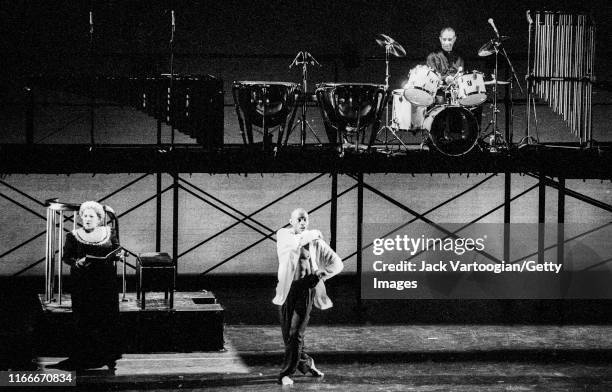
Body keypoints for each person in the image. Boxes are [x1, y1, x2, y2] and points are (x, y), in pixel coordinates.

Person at [273, 208, 344, 385]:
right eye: (300, 219)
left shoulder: (315, 243)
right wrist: (313, 233)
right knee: (288, 337)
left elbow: (337, 264)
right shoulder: (283, 235)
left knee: (296, 333)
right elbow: (295, 244)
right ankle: (306, 363)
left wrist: (320, 275)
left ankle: (286, 374)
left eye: (306, 220)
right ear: (291, 221)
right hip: (286, 289)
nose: (303, 223)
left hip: (305, 290)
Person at [50, 201, 122, 370]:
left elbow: (117, 249)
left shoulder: (109, 232)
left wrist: (118, 255)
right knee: (86, 318)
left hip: (105, 282)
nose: (87, 219)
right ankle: (85, 357)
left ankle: (108, 356)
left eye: (91, 216)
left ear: (99, 219)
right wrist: (78, 262)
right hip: (84, 283)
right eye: (85, 216)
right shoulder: (73, 235)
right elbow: (66, 257)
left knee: (106, 318)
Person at [426, 27, 465, 104]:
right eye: (444, 39)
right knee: (440, 100)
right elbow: (433, 78)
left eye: (450, 39)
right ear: (440, 39)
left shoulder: (459, 58)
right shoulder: (432, 57)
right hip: (438, 92)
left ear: (454, 39)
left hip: (456, 92)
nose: (447, 42)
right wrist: (445, 79)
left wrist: (457, 80)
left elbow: (461, 77)